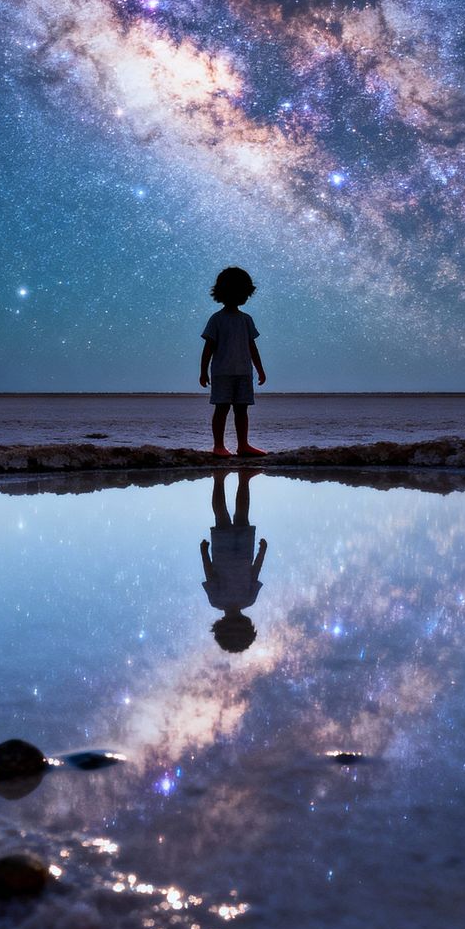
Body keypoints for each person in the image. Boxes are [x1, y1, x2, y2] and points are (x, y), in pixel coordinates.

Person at [198, 266, 267, 457]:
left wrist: (260, 370)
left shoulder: (246, 320)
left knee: (242, 409)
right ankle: (218, 446)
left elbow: (252, 347)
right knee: (222, 408)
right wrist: (203, 372)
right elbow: (208, 348)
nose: (244, 296)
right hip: (222, 372)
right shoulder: (217, 319)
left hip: (244, 372)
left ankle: (243, 445)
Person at [200, 469, 268, 652]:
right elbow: (254, 573)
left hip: (231, 552)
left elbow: (210, 573)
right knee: (236, 515)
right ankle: (234, 479)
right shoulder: (244, 599)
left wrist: (204, 553)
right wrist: (262, 552)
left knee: (230, 515)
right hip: (240, 552)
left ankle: (223, 479)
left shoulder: (225, 600)